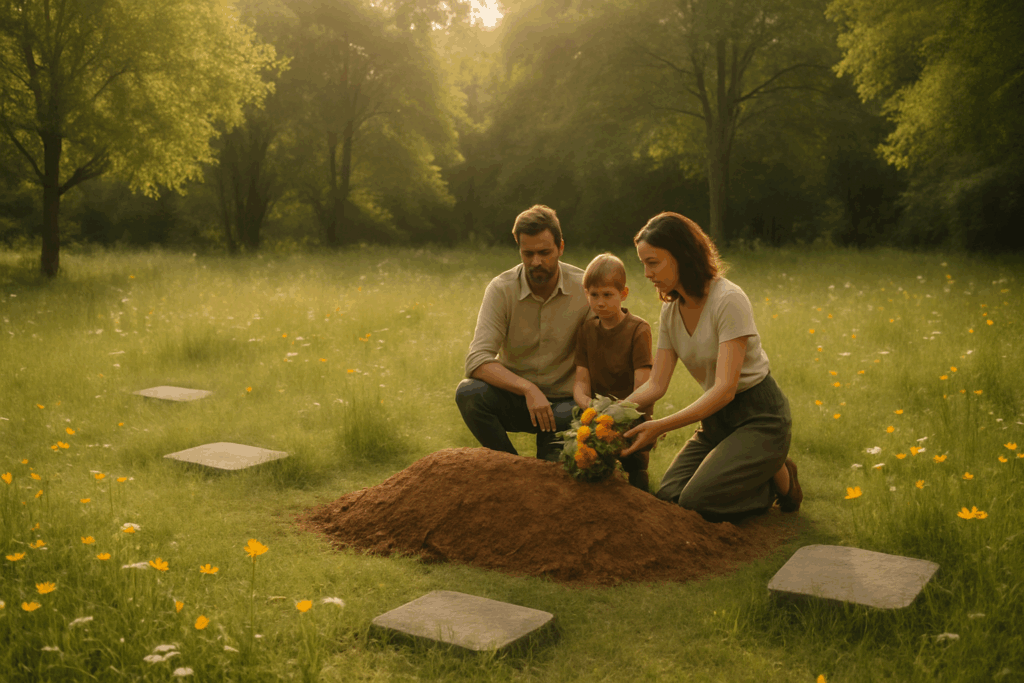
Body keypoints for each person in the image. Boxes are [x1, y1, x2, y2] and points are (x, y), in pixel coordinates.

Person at [619, 211, 802, 521]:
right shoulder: (671, 312)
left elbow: (726, 388)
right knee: (670, 496)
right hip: (716, 423)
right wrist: (607, 413)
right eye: (643, 264)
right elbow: (656, 384)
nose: (647, 274)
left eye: (653, 262)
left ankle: (775, 477)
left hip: (761, 417)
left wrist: (660, 426)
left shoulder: (728, 300)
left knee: (697, 501)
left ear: (681, 256)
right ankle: (759, 465)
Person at [456, 205, 592, 461]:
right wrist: (528, 389)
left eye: (545, 252)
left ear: (561, 248)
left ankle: (544, 463)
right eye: (527, 253)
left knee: (553, 473)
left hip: (566, 404)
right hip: (516, 399)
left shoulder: (585, 289)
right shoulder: (501, 289)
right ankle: (510, 467)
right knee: (469, 393)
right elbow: (477, 360)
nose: (536, 262)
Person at [573, 253, 654, 491]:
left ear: (623, 294)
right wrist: (589, 406)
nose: (600, 302)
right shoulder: (587, 330)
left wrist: (615, 415)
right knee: (586, 471)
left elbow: (643, 388)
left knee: (635, 476)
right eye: (593, 295)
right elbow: (580, 382)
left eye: (608, 295)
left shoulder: (638, 330)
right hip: (596, 415)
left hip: (631, 415)